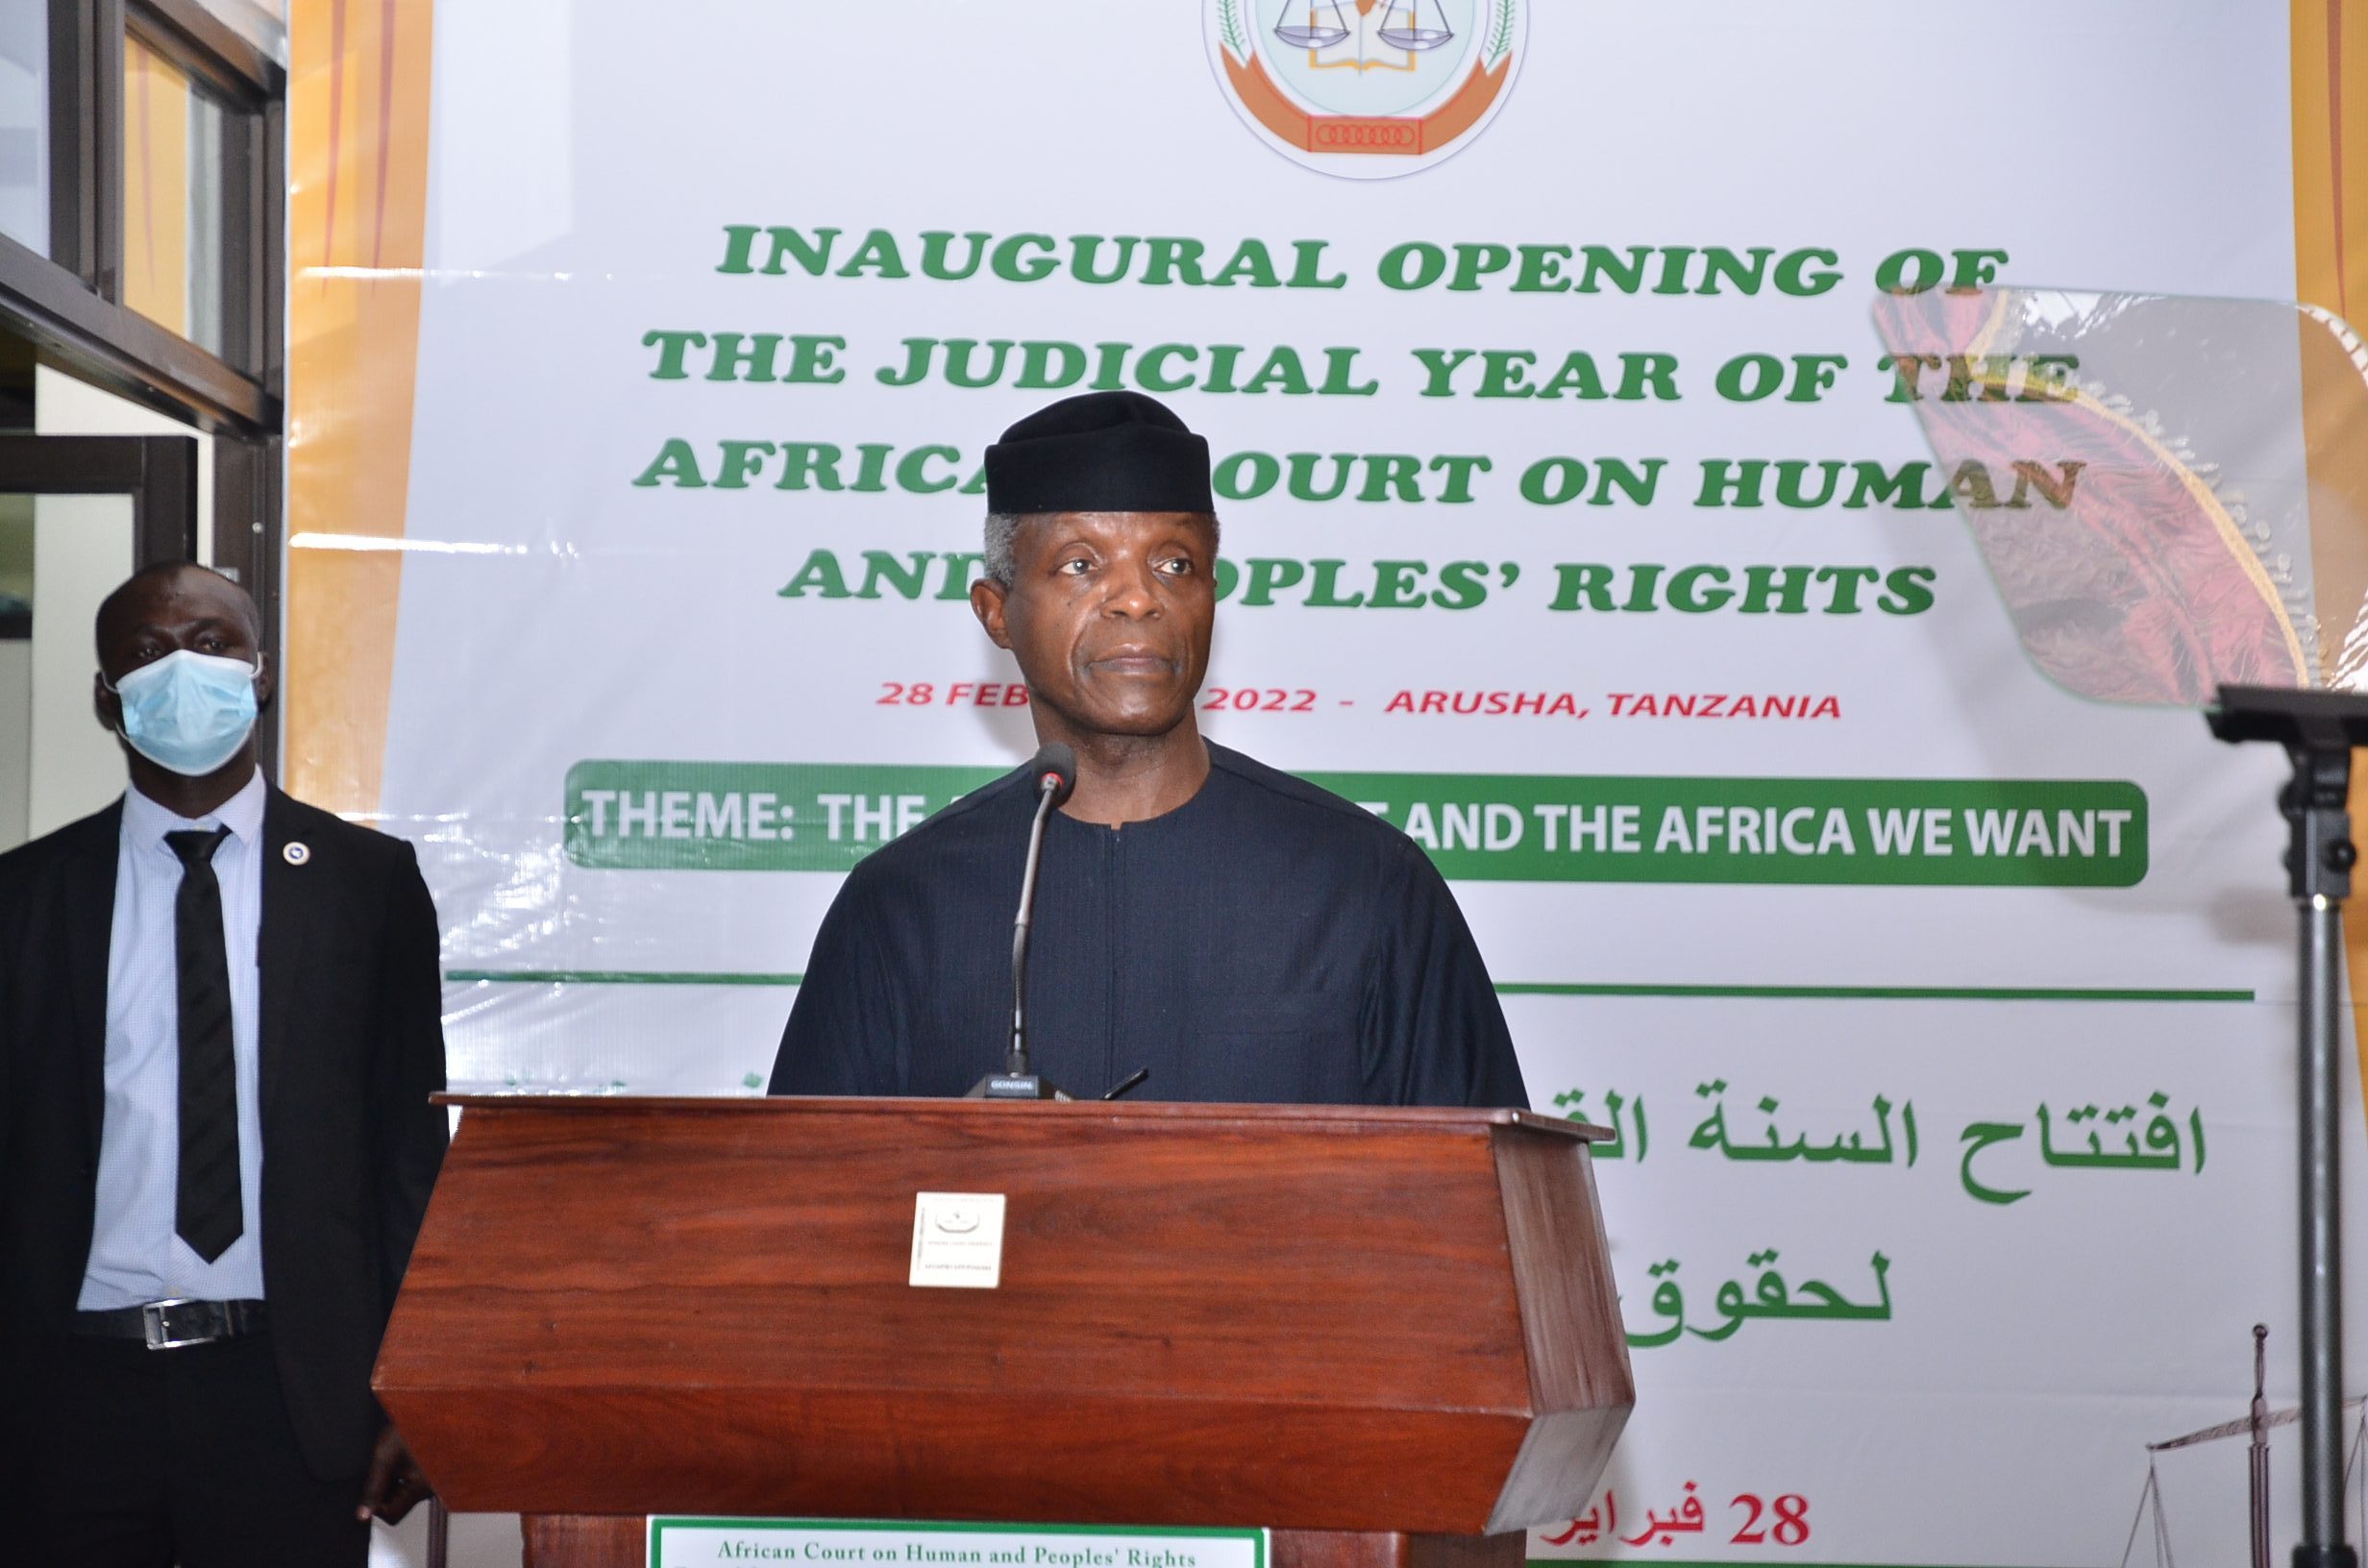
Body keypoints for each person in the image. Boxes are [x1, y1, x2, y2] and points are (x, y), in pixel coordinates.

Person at [770, 391, 1527, 1106]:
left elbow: (1485, 1208)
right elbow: (802, 1213)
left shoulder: (1365, 888)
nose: (1138, 598)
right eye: (1080, 564)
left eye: (1174, 564)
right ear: (997, 612)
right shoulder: (904, 905)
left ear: (1212, 596)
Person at [0, 562, 448, 1566]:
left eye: (208, 643)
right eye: (148, 653)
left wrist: (415, 1388)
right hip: (69, 1398)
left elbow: (407, 1158)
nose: (181, 670)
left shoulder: (367, 887)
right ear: (106, 700)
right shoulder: (25, 897)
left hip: (288, 1395)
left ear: (259, 674)